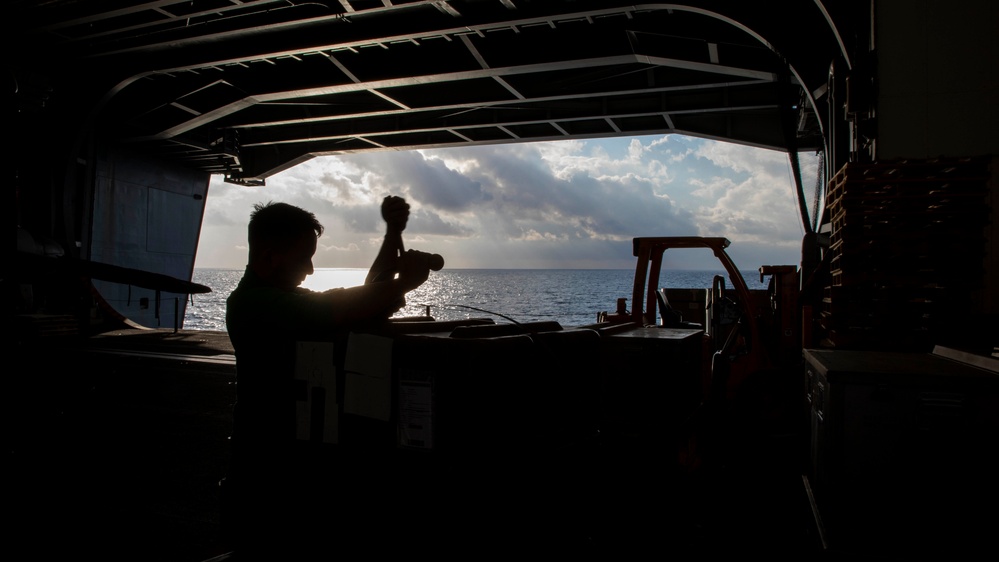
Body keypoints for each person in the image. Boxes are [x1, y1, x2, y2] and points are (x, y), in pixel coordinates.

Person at [222, 196, 432, 558]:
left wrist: (392, 235)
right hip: (262, 473)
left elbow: (363, 300)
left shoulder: (283, 300)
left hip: (293, 466)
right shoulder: (251, 304)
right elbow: (341, 307)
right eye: (304, 257)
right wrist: (405, 283)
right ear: (270, 256)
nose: (311, 269)